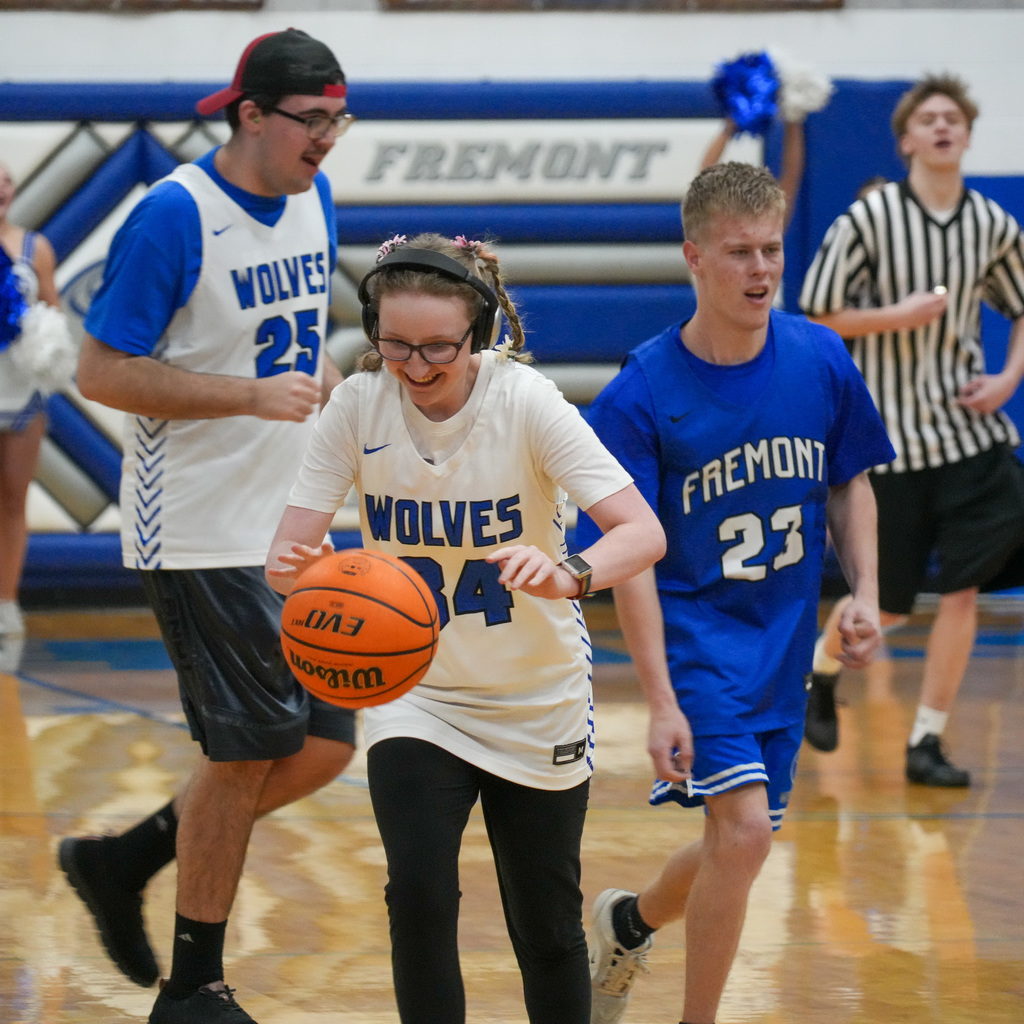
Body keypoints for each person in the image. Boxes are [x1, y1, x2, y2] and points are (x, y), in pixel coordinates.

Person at [265, 232, 666, 1024]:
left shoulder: (527, 403)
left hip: (535, 695)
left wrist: (569, 572)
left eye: (438, 348)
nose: (415, 367)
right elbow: (285, 560)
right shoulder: (358, 404)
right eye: (396, 345)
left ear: (476, 333)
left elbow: (642, 532)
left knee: (545, 927)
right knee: (417, 896)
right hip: (417, 695)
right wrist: (315, 574)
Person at [56, 29, 357, 1024]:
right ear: (250, 115)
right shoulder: (173, 215)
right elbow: (100, 371)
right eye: (312, 120)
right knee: (244, 753)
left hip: (287, 518)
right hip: (196, 525)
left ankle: (124, 860)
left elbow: (298, 345)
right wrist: (246, 396)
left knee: (324, 743)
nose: (328, 138)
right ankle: (193, 988)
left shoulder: (314, 195)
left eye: (338, 119)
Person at [578, 162, 895, 1024]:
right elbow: (629, 558)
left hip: (782, 640)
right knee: (747, 833)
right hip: (697, 640)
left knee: (738, 844)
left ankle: (629, 922)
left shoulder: (819, 356)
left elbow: (850, 481)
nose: (761, 270)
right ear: (694, 256)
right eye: (739, 253)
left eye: (771, 251)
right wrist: (658, 700)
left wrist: (864, 593)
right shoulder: (642, 391)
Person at [799, 73, 1024, 786]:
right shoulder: (868, 220)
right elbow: (817, 313)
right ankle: (821, 672)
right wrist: (895, 317)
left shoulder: (992, 223)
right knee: (888, 608)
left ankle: (927, 740)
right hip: (891, 444)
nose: (942, 126)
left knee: (963, 589)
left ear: (967, 135)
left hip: (968, 437)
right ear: (905, 141)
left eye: (953, 117)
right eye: (928, 118)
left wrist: (1008, 379)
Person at [0, 162, 61, 642]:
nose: (0, 189)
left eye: (5, 180)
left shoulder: (33, 247)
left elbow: (52, 311)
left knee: (12, 499)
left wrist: (44, 341)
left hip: (20, 394)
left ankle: (6, 603)